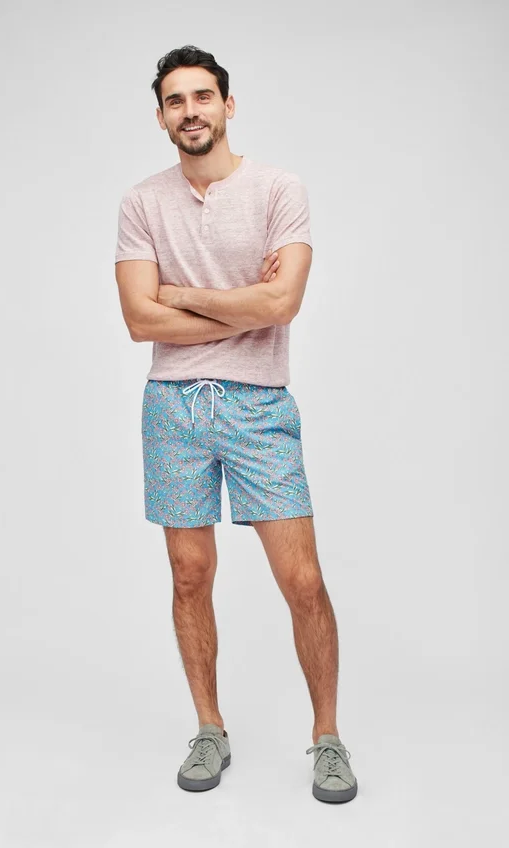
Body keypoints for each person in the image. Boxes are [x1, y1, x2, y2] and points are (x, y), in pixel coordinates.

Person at [114, 45, 358, 803]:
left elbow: (282, 304)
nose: (190, 111)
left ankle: (327, 738)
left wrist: (180, 295)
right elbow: (137, 320)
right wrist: (238, 305)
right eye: (175, 100)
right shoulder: (141, 203)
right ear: (161, 116)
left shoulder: (279, 189)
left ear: (227, 105)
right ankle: (209, 728)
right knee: (189, 575)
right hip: (172, 408)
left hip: (259, 405)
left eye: (202, 96)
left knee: (303, 579)